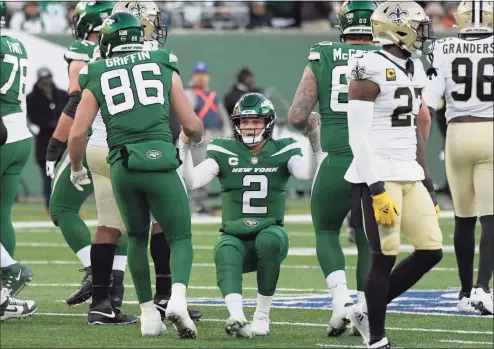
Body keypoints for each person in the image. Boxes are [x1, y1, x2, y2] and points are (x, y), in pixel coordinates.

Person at [68, 12, 203, 337]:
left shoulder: (95, 70)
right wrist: (190, 139)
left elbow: (77, 133)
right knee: (180, 236)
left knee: (137, 239)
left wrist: (75, 167)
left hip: (123, 164)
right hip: (160, 161)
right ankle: (176, 300)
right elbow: (192, 124)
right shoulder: (161, 62)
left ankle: (148, 317)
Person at [344, 2, 443, 348]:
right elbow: (357, 136)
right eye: (418, 25)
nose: (423, 32)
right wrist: (375, 189)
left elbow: (417, 128)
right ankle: (377, 339)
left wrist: (428, 185)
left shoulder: (412, 67)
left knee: (431, 251)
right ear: (399, 29)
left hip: (408, 171)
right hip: (379, 173)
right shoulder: (367, 66)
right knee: (384, 257)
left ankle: (367, 310)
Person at [179, 93, 318, 338]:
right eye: (244, 121)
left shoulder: (283, 149)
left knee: (270, 240)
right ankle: (237, 316)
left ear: (268, 123)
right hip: (234, 233)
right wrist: (185, 146)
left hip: (270, 230)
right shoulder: (223, 149)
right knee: (224, 249)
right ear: (236, 124)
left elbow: (307, 173)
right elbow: (192, 181)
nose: (250, 126)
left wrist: (314, 138)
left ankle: (262, 316)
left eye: (256, 121)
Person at [288, 0, 378, 337]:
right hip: (376, 163)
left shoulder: (324, 53)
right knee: (370, 238)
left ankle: (341, 301)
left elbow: (297, 116)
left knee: (326, 230)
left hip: (336, 158)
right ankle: (366, 310)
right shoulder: (391, 55)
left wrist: (313, 126)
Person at [45, 2, 135, 317]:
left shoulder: (84, 52)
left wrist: (56, 143)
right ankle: (119, 295)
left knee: (61, 208)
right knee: (117, 221)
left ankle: (93, 270)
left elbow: (75, 103)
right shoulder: (143, 53)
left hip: (93, 144)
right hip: (129, 143)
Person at [423, 0, 493, 315]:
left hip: (457, 133)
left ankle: (464, 293)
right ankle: (483, 288)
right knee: (491, 218)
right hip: (491, 132)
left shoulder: (444, 47)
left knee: (463, 218)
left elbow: (428, 100)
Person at [0, 0, 35, 299]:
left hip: (1, 131)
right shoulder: (16, 44)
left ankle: (11, 269)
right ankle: (3, 291)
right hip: (19, 132)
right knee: (2, 212)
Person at [185, 61, 229, 213]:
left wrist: (226, 135)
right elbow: (186, 117)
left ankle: (202, 203)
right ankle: (196, 204)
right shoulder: (190, 94)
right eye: (198, 75)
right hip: (199, 140)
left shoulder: (212, 95)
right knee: (196, 173)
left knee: (208, 173)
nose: (201, 78)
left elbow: (222, 117)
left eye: (204, 75)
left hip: (214, 137)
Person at [26, 67, 68, 210]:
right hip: (44, 145)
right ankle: (50, 207)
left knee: (64, 177)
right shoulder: (31, 98)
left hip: (62, 143)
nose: (46, 81)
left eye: (48, 78)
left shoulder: (62, 95)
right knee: (47, 177)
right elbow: (35, 119)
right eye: (43, 79)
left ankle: (66, 206)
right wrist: (52, 125)